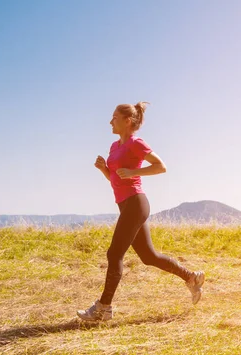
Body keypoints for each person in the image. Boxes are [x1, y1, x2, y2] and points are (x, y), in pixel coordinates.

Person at [77, 102, 205, 321]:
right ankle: (191, 277)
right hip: (126, 204)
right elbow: (117, 179)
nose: (110, 121)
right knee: (148, 256)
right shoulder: (114, 147)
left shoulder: (136, 143)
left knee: (114, 254)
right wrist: (105, 170)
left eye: (114, 117)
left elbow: (160, 166)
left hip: (136, 203)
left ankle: (103, 308)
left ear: (128, 121)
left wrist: (135, 171)